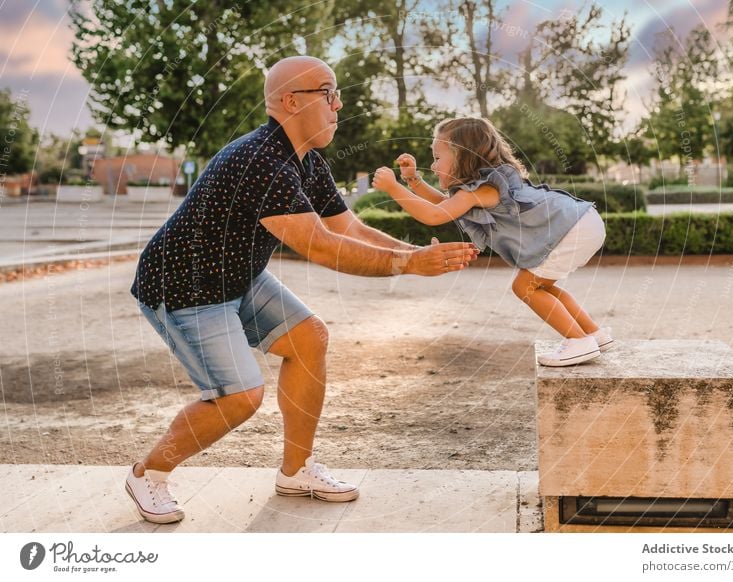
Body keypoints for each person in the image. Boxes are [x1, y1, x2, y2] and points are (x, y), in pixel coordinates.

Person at [126, 56, 478, 524]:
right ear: (291, 102)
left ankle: (296, 470)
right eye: (328, 92)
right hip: (185, 286)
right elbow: (322, 247)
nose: (339, 104)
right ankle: (147, 474)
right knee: (239, 396)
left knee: (309, 338)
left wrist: (412, 253)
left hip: (236, 276)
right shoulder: (260, 160)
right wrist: (409, 264)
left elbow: (347, 227)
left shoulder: (306, 159)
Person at [372, 116, 614, 368]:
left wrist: (393, 189)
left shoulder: (486, 189)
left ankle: (578, 341)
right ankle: (593, 333)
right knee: (541, 286)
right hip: (581, 221)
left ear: (464, 157)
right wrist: (412, 181)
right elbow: (444, 205)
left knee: (524, 287)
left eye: (437, 158)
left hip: (572, 227)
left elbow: (435, 215)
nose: (433, 166)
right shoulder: (480, 189)